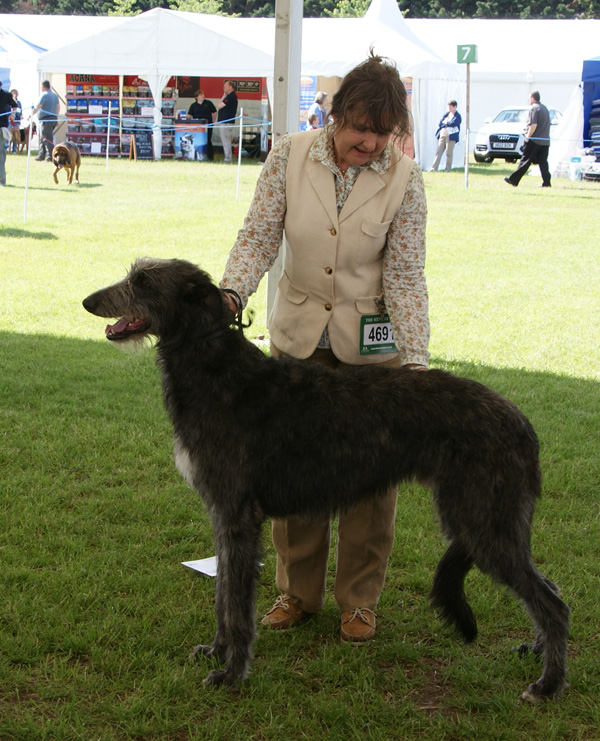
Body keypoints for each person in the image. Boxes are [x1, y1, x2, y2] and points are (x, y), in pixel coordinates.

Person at [220, 52, 429, 644]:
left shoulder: (406, 180)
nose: (369, 142)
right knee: (292, 472)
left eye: (382, 133)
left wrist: (415, 358)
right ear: (337, 116)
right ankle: (296, 592)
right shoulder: (288, 154)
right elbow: (258, 233)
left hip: (371, 352)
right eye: (360, 127)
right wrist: (232, 294)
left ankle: (359, 601)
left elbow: (407, 274)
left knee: (370, 480)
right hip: (298, 339)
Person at [504, 91, 551, 188]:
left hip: (534, 140)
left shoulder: (534, 108)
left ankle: (513, 180)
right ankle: (547, 182)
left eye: (529, 98)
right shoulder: (544, 108)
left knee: (525, 160)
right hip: (545, 141)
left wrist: (527, 137)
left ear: (533, 98)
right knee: (543, 162)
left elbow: (533, 125)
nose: (529, 100)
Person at [429, 100, 461, 172]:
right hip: (443, 134)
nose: (449, 108)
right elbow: (440, 123)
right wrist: (445, 124)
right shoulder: (446, 114)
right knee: (438, 151)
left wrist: (446, 124)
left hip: (451, 136)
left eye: (451, 106)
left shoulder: (457, 116)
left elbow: (453, 123)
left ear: (455, 106)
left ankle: (447, 169)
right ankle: (434, 168)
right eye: (448, 106)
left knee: (449, 153)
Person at [187, 89, 217, 161]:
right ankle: (198, 155)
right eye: (201, 95)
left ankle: (210, 157)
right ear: (196, 97)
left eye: (203, 95)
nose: (203, 96)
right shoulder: (193, 105)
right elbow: (189, 114)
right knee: (198, 140)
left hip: (208, 125)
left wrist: (213, 120)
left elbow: (214, 111)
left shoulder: (208, 103)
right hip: (197, 126)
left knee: (208, 140)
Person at [34, 80, 60, 162]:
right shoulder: (55, 95)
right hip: (52, 118)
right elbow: (58, 107)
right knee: (43, 137)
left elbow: (38, 106)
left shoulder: (44, 95)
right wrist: (56, 117)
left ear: (43, 86)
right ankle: (41, 155)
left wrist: (31, 114)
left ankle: (50, 157)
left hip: (46, 119)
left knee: (47, 138)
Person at [216, 80, 238, 163]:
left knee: (226, 140)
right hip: (224, 121)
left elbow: (219, 106)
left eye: (225, 86)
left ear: (230, 87)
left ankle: (228, 158)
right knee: (225, 140)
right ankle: (227, 157)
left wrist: (224, 96)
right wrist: (223, 95)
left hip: (226, 122)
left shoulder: (231, 97)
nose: (223, 88)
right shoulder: (228, 96)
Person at [0, 82, 15, 185]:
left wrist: (12, 115)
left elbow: (15, 106)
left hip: (2, 128)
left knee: (1, 154)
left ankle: (2, 180)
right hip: (3, 127)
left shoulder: (6, 94)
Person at [9, 89, 22, 154]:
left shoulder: (19, 102)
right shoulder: (8, 101)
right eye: (13, 93)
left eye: (15, 93)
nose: (14, 94)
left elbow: (20, 110)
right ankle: (7, 148)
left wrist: (21, 115)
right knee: (9, 135)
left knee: (16, 136)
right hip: (10, 121)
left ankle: (14, 150)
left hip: (17, 121)